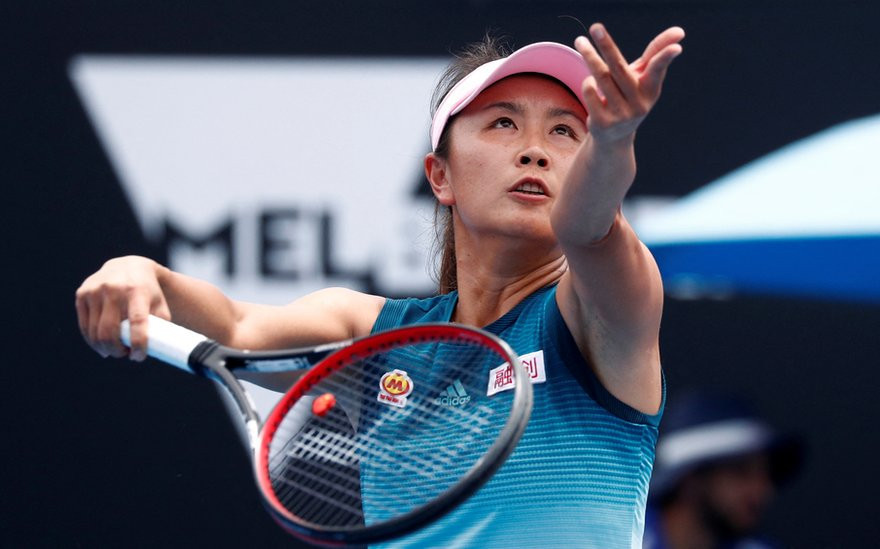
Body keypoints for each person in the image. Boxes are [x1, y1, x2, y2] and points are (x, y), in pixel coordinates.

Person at [76, 22, 684, 547]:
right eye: (504, 123)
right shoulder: (373, 336)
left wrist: (612, 142)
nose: (535, 151)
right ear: (440, 176)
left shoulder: (605, 313)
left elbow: (588, 228)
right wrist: (144, 276)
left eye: (565, 132)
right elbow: (236, 327)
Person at [642, 391, 804, 549]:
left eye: (766, 474)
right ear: (690, 478)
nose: (762, 491)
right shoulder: (628, 535)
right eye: (741, 471)